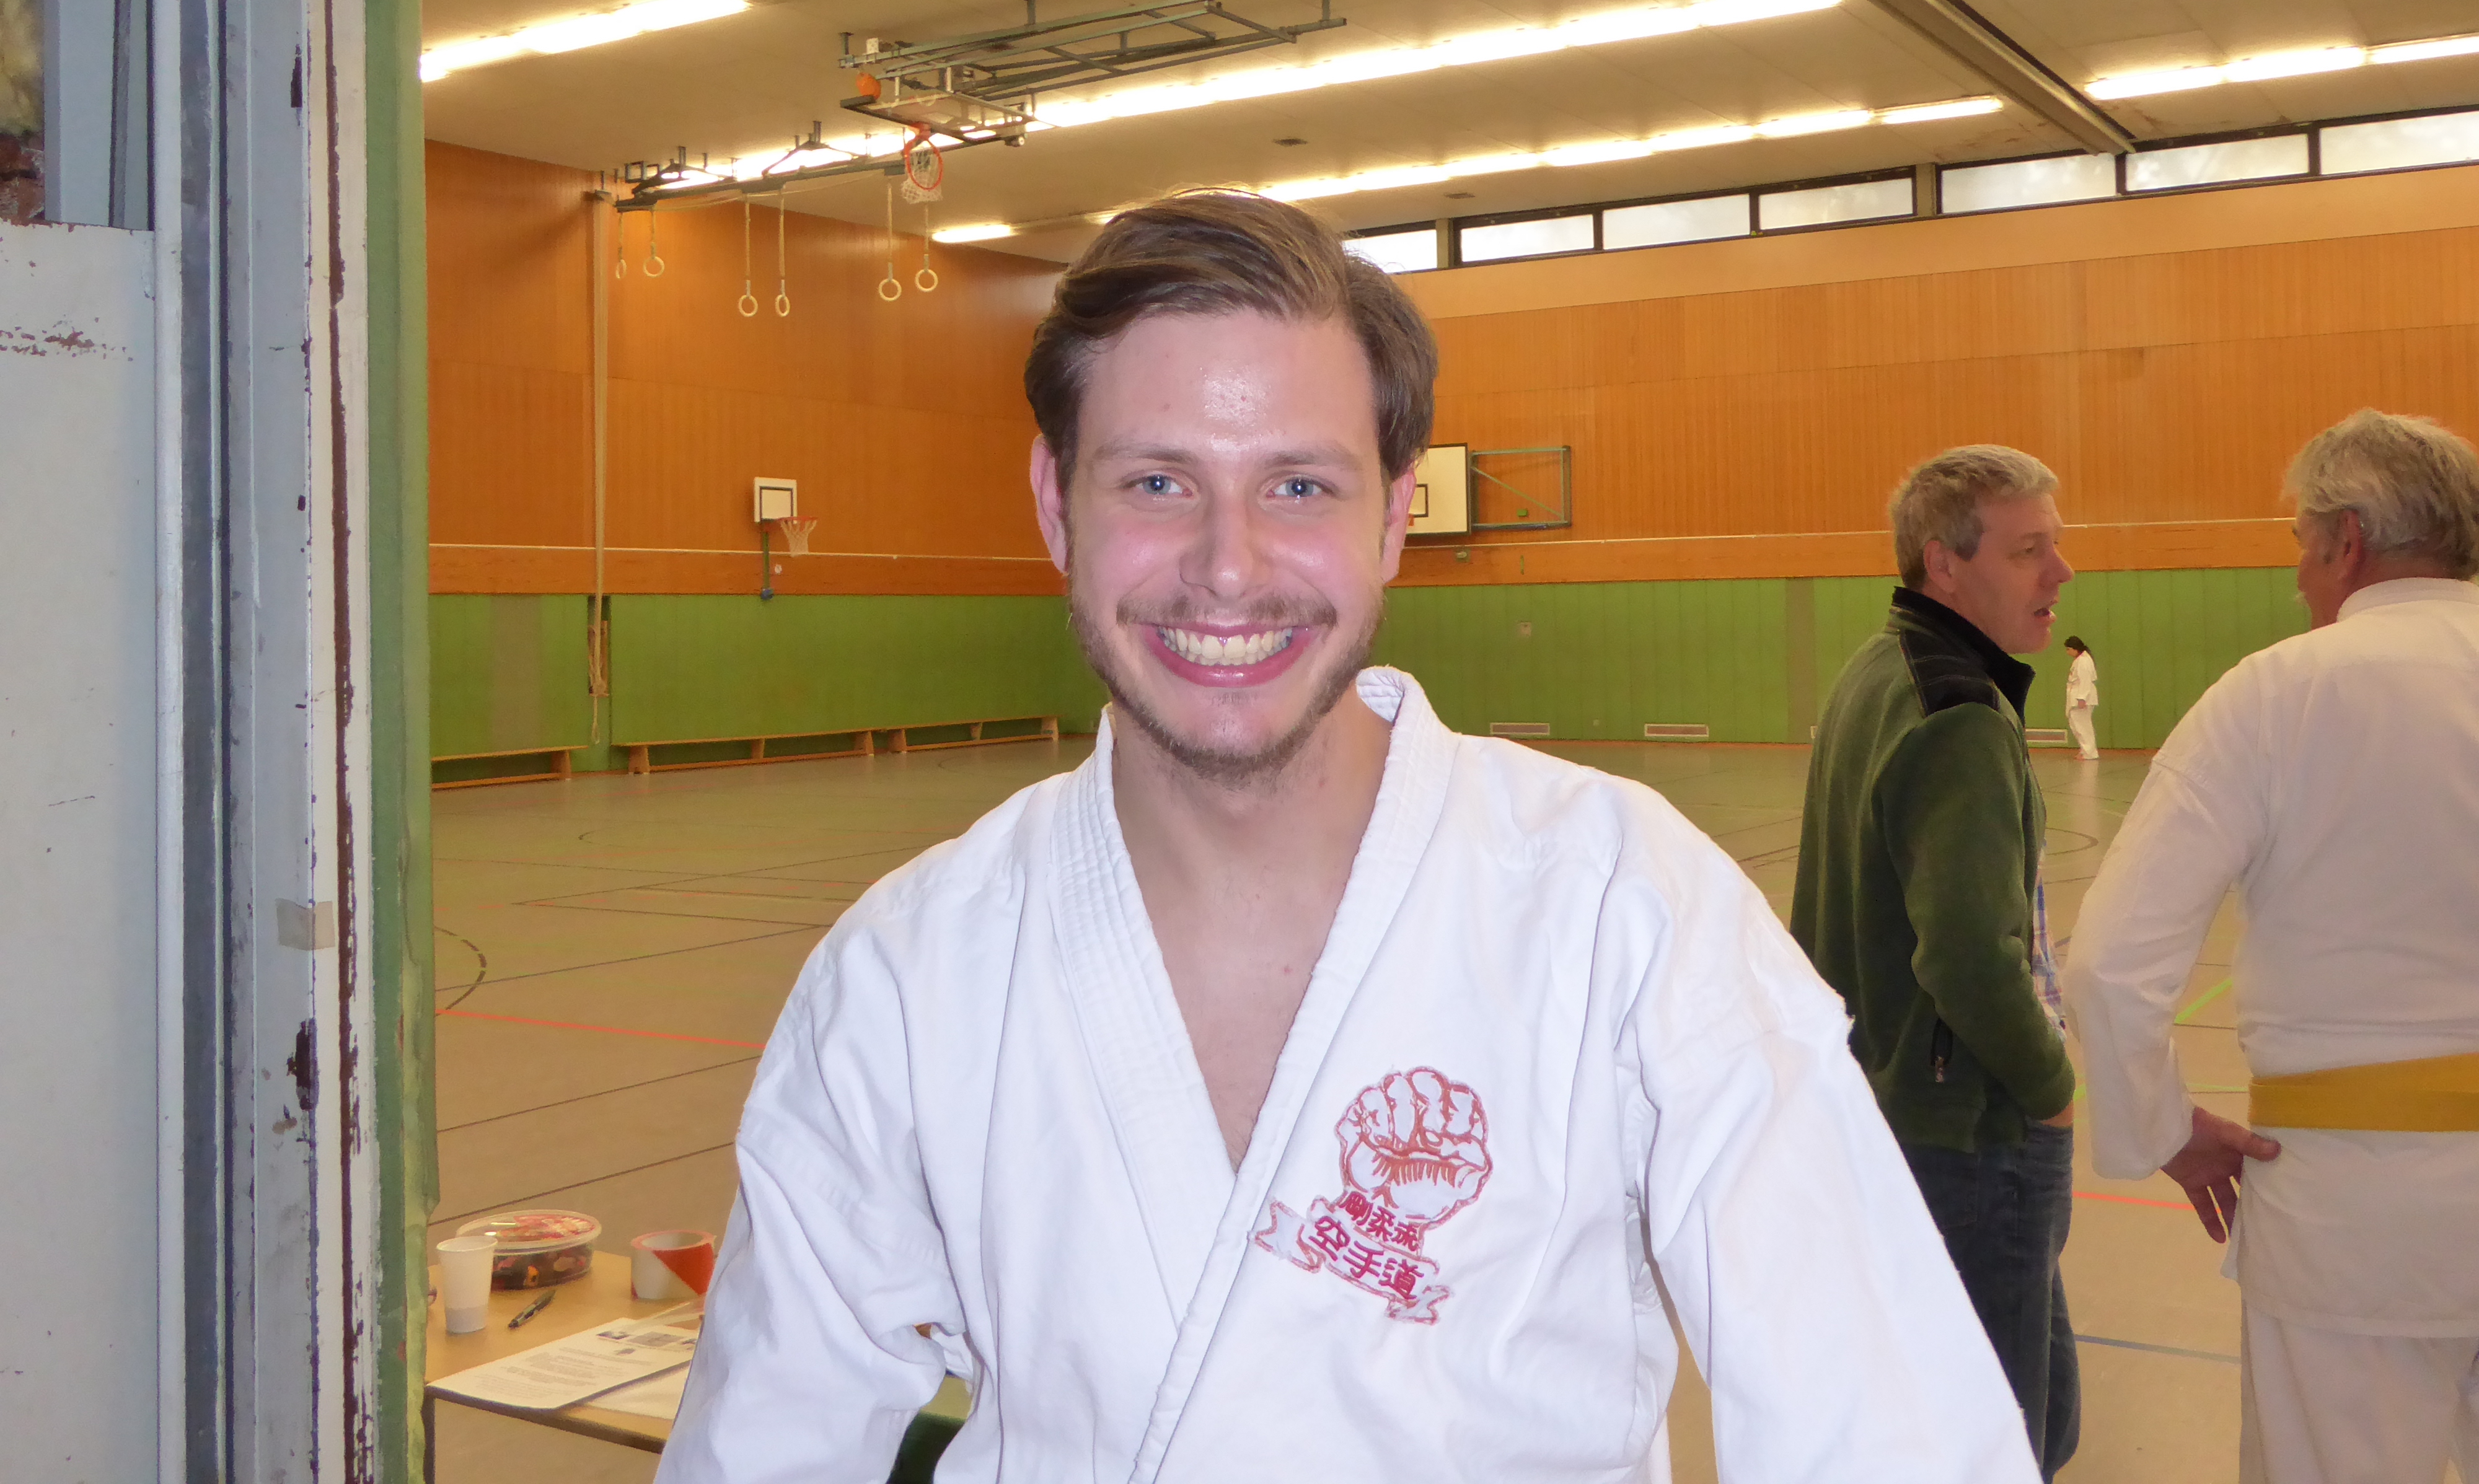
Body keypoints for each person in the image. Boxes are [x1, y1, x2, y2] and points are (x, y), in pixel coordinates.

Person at [658, 193, 2040, 1483]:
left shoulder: (1621, 908)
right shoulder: (907, 977)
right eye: (1155, 482)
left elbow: (1893, 1430)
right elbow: (762, 1449)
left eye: (1300, 487)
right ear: (1051, 503)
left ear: (1394, 514)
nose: (1227, 565)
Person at [2064, 408, 2479, 1484]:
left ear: (2348, 540)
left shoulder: (2277, 693)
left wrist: (2162, 1125)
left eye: (2301, 543)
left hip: (2352, 1219)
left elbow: (2109, 964)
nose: (2298, 576)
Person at [1790, 444, 2082, 1480]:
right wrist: (2052, 1090)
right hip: (1967, 1133)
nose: (2060, 573)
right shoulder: (1958, 713)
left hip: (1890, 1113)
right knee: (2001, 1437)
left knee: (2021, 1413)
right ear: (1944, 565)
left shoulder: (1880, 670)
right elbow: (1966, 957)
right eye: (2029, 550)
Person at [2063, 636, 2098, 760]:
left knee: (2083, 726)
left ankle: (2089, 752)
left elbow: (2085, 681)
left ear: (2075, 649)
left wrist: (2082, 698)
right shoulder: (2081, 660)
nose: (2067, 652)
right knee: (2076, 725)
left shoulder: (2084, 661)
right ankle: (2084, 750)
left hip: (2082, 697)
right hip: (2077, 696)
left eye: (2069, 649)